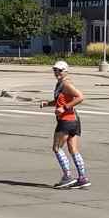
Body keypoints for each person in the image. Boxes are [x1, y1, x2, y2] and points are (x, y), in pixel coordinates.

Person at [40, 61, 90, 189]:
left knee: (57, 148)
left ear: (66, 71)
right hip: (73, 121)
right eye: (55, 70)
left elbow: (80, 97)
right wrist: (47, 104)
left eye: (60, 70)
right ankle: (82, 178)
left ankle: (67, 177)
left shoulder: (66, 84)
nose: (57, 72)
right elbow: (59, 101)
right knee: (73, 150)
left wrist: (64, 108)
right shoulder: (60, 84)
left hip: (67, 121)